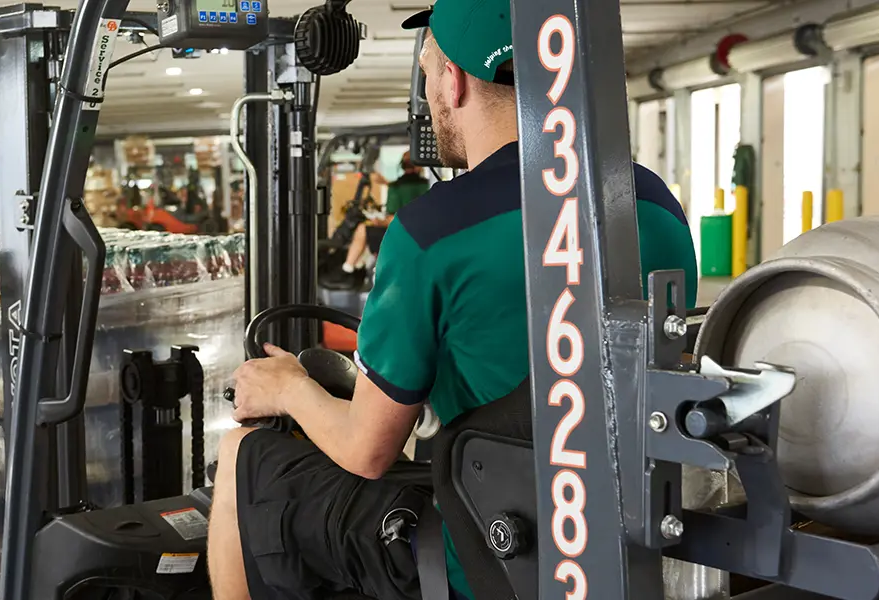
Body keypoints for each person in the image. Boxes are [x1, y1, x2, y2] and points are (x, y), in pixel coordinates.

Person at [206, 0, 701, 599]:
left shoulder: (431, 231)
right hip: (625, 535)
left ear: (454, 81)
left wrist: (287, 386)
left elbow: (367, 450)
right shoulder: (651, 202)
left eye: (428, 70)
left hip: (485, 547)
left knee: (241, 456)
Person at [342, 152, 431, 274]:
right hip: (423, 236)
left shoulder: (396, 187)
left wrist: (379, 221)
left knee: (362, 229)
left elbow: (394, 219)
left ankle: (347, 268)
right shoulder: (429, 186)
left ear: (402, 166)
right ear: (419, 166)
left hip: (403, 236)